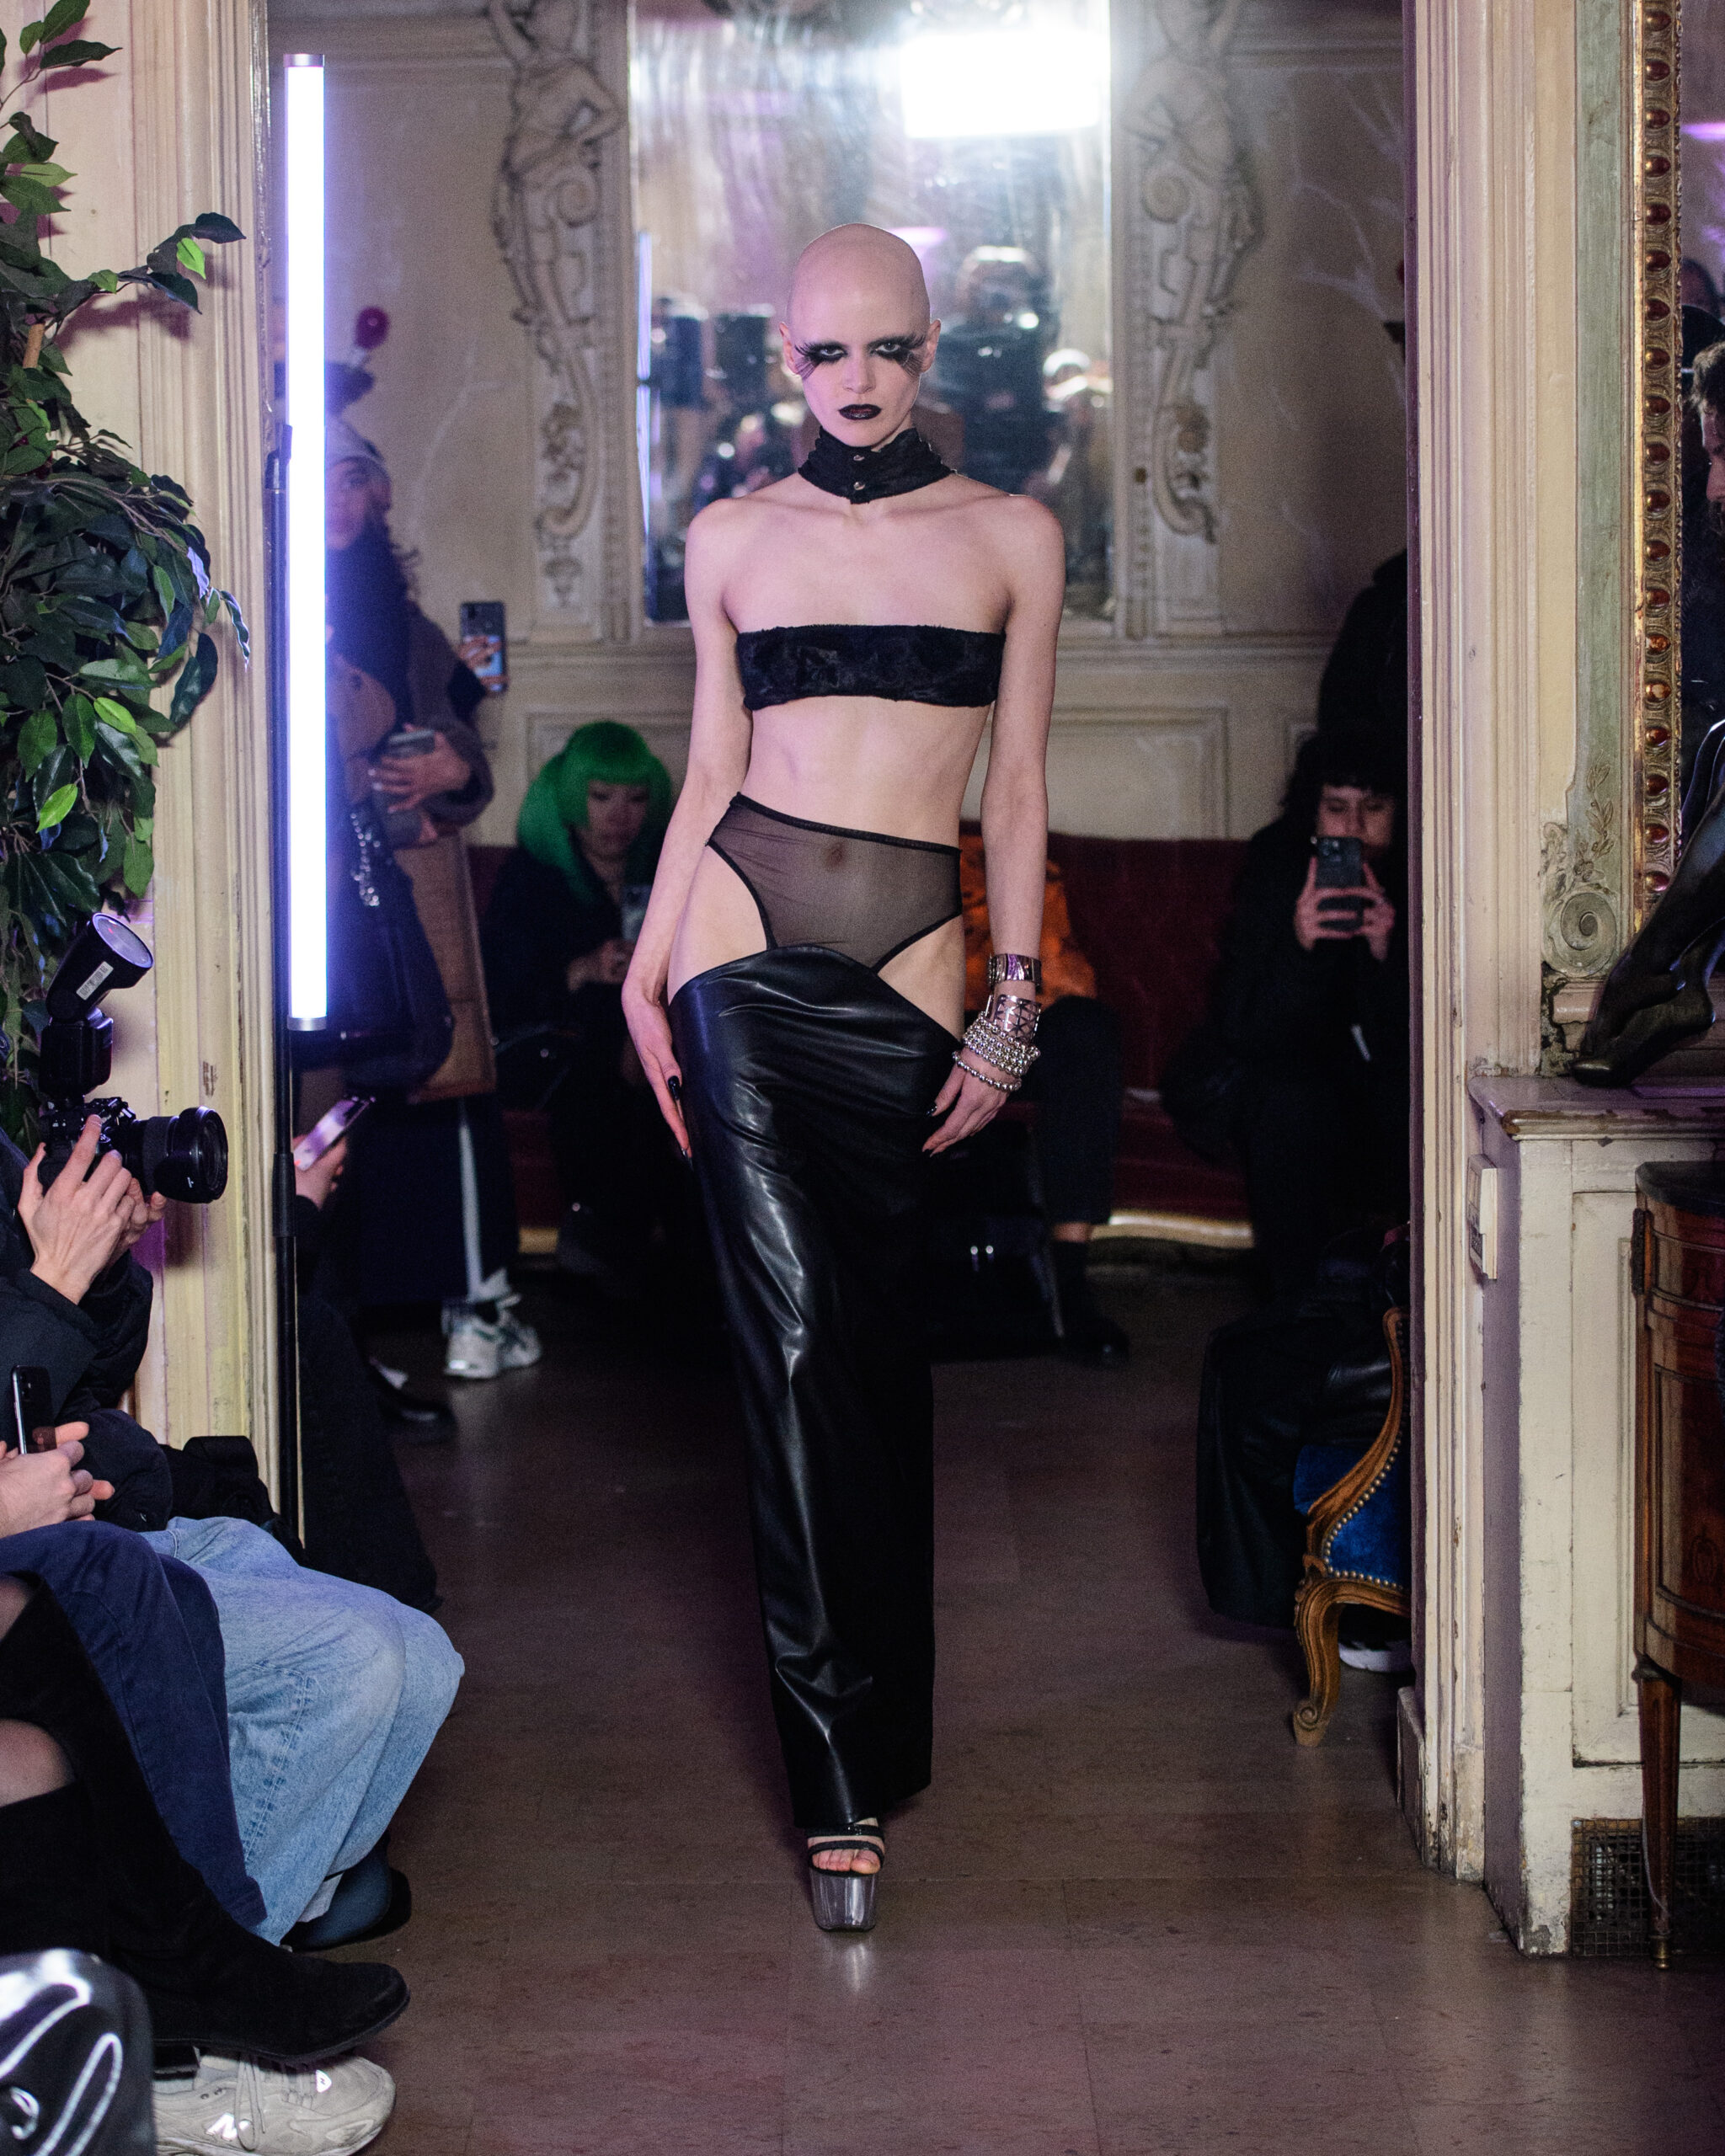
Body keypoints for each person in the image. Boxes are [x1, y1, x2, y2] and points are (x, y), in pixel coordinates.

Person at [623, 223, 1063, 1930]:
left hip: (914, 962)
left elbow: (1012, 788)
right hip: (737, 942)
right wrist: (647, 967)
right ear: (782, 361)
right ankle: (832, 1782)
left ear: (929, 346)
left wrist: (1013, 1005)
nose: (856, 380)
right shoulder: (732, 536)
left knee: (876, 1351)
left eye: (885, 348)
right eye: (823, 353)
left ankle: (886, 1723)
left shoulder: (1011, 536)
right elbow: (710, 766)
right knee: (795, 1346)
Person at [0, 1113, 462, 1948]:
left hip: (118, 1506)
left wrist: (98, 1269)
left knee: (426, 1658)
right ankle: (208, 1982)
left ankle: (250, 1934)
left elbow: (90, 1378)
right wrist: (57, 1280)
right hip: (47, 1549)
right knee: (348, 1660)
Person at [318, 416, 532, 1390]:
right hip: (325, 889)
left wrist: (451, 769)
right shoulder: (270, 599)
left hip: (413, 883)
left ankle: (472, 1301)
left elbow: (458, 744)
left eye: (352, 479)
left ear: (379, 494)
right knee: (334, 1092)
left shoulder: (405, 622)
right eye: (320, 480)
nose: (336, 500)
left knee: (440, 1080)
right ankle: (339, 1328)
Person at [480, 722, 682, 1294]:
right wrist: (583, 968)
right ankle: (611, 1234)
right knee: (614, 1060)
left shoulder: (663, 873)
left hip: (649, 1036)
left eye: (636, 799)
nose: (620, 816)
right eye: (601, 797)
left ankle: (683, 1245)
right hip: (550, 1042)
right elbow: (503, 993)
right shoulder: (532, 879)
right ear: (572, 799)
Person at [1210, 733, 1409, 1301]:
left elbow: (1419, 1040)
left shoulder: (1423, 867)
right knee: (1290, 1104)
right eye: (1337, 807)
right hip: (1289, 1080)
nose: (1354, 827)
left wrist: (1385, 955)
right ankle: (1296, 1309)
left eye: (1374, 808)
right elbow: (1247, 1029)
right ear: (1313, 811)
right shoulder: (1278, 864)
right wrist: (1300, 948)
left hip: (1381, 1086)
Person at [959, 837, 1128, 1364]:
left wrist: (1003, 1031)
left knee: (1086, 1029)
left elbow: (1060, 978)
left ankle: (1070, 1280)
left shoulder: (1003, 852)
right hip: (920, 1022)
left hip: (1018, 1019)